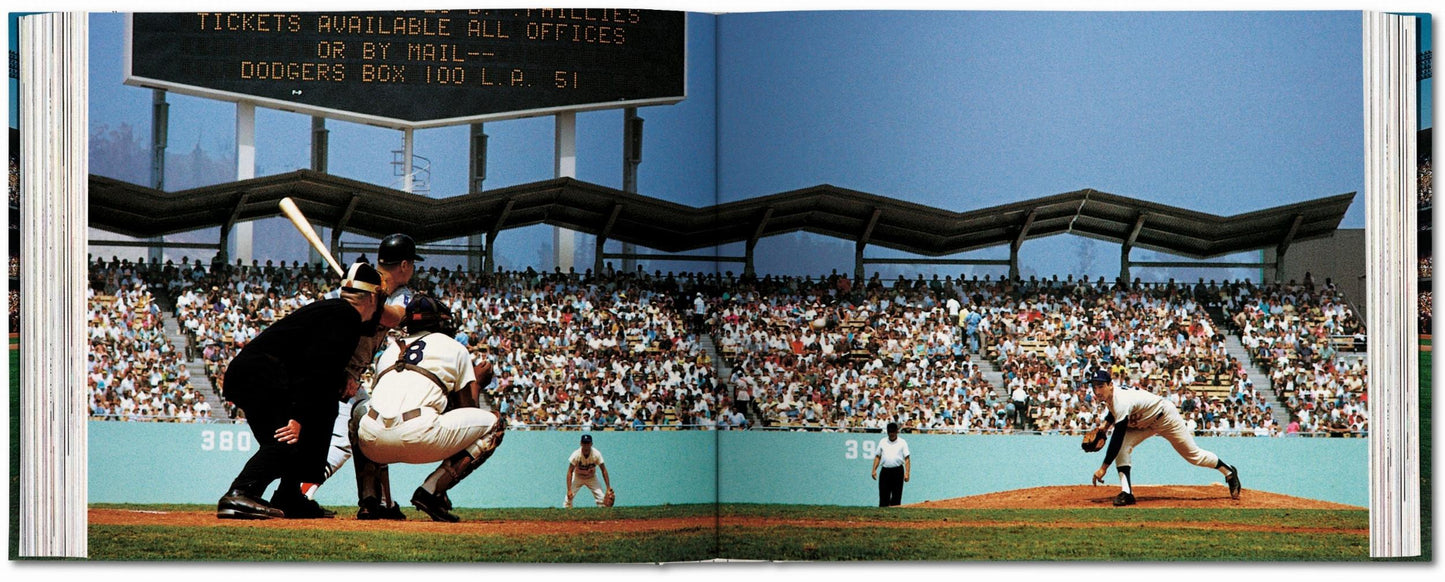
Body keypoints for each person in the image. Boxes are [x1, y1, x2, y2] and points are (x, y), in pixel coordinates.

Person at [215, 262, 382, 520]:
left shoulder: (339, 313)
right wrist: (298, 417)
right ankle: (241, 492)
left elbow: (320, 374)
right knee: (290, 439)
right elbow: (316, 369)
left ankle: (289, 497)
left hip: (259, 375)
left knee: (325, 409)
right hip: (260, 376)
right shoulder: (346, 318)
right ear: (372, 296)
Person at [350, 294, 506, 522]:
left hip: (373, 443)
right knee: (495, 424)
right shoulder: (454, 347)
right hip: (421, 437)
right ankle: (431, 491)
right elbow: (467, 408)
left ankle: (371, 500)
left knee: (360, 412)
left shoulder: (388, 352)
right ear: (440, 322)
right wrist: (477, 381)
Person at [316, 234, 425, 510]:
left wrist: (371, 300)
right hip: (331, 371)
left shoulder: (391, 293)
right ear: (403, 264)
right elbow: (327, 314)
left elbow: (396, 317)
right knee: (341, 444)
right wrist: (356, 297)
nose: (413, 269)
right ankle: (299, 492)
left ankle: (379, 502)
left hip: (347, 375)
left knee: (373, 425)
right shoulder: (361, 282)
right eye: (412, 264)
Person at [1087, 370, 1242, 506]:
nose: (1097, 390)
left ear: (1110, 385)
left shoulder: (1121, 399)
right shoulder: (1111, 397)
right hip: (1144, 423)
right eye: (1094, 386)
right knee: (1122, 448)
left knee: (1194, 456)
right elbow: (1113, 413)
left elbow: (1117, 435)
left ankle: (1228, 472)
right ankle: (1127, 493)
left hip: (1165, 418)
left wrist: (1103, 468)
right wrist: (1103, 428)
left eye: (1100, 386)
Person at [565, 434, 612, 508]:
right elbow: (570, 472)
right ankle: (567, 518)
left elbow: (604, 470)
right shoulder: (576, 455)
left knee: (602, 500)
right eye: (584, 443)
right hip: (578, 477)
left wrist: (608, 487)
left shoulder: (596, 454)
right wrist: (569, 490)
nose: (586, 445)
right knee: (568, 499)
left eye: (588, 443)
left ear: (591, 444)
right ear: (581, 443)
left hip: (591, 478)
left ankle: (604, 518)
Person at [870, 422, 911, 507]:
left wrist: (907, 473)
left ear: (897, 432)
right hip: (885, 471)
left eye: (893, 432)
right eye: (890, 432)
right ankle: (882, 515)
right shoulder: (883, 441)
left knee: (896, 495)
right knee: (884, 494)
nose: (891, 434)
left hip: (898, 471)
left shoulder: (902, 442)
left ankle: (894, 517)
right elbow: (878, 456)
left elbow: (907, 458)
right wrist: (874, 470)